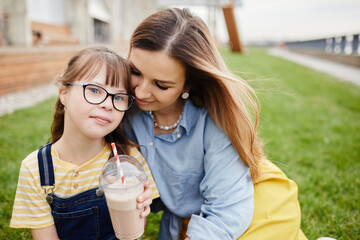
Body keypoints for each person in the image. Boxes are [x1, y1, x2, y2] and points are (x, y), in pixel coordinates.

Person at [124, 8, 307, 240]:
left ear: (188, 84)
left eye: (161, 85)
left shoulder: (215, 120)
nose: (140, 91)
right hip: (202, 214)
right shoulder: (121, 104)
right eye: (135, 71)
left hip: (255, 205)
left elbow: (226, 211)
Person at [10, 46, 158, 240]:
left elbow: (133, 233)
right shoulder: (36, 169)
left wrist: (137, 207)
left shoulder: (128, 160)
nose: (107, 104)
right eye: (95, 90)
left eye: (119, 97)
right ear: (64, 94)